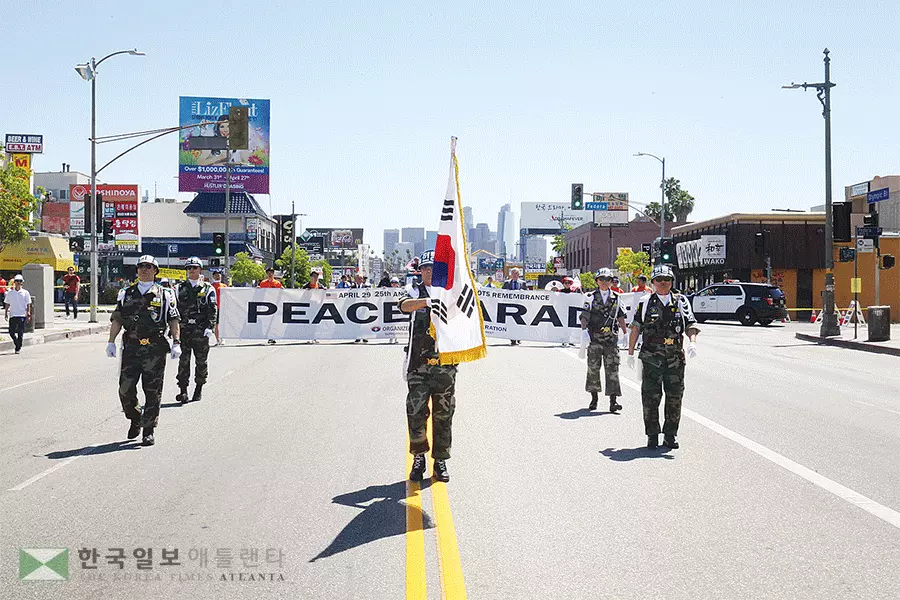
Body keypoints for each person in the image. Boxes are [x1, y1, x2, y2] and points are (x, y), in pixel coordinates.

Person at [106, 256, 181, 446]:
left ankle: (148, 430)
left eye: (148, 266)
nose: (144, 269)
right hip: (131, 347)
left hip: (154, 349)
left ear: (155, 270)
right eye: (141, 266)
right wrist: (111, 341)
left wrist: (176, 341)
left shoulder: (165, 294)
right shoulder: (126, 293)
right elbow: (117, 319)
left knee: (153, 391)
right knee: (125, 389)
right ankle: (135, 416)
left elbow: (173, 319)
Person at [398, 251, 457, 483]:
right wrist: (427, 301)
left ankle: (440, 460)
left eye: (432, 268)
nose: (428, 272)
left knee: (444, 415)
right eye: (424, 268)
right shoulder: (413, 290)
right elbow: (403, 306)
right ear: (419, 271)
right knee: (415, 412)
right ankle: (419, 456)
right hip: (418, 365)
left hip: (444, 366)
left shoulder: (451, 293)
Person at [627, 264, 699, 450]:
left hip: (675, 358)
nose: (663, 283)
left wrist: (692, 342)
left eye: (667, 280)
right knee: (651, 398)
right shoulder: (645, 302)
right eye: (659, 280)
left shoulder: (681, 301)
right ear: (653, 282)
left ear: (672, 281)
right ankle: (652, 435)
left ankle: (670, 435)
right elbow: (636, 328)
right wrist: (630, 353)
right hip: (651, 358)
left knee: (675, 397)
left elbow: (690, 324)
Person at [580, 268, 627, 412]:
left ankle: (613, 401)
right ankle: (594, 398)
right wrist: (583, 331)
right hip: (595, 338)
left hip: (611, 339)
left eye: (608, 279)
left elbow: (620, 317)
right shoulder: (590, 297)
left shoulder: (617, 298)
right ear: (597, 281)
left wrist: (625, 333)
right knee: (593, 369)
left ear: (612, 282)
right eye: (601, 279)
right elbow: (584, 315)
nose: (604, 282)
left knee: (612, 370)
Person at [174, 257, 217, 404]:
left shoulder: (207, 288)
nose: (191, 270)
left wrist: (210, 327)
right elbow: (174, 310)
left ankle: (198, 387)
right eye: (189, 268)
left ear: (200, 270)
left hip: (200, 331)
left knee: (201, 362)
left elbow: (212, 310)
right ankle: (183, 390)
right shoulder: (179, 288)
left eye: (194, 268)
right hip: (184, 330)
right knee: (183, 362)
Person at [4, 275, 32, 354]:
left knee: (20, 332)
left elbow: (28, 304)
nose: (18, 283)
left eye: (20, 281)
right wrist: (6, 313)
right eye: (17, 281)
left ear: (22, 283)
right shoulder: (10, 293)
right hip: (13, 314)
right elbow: (7, 303)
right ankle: (17, 343)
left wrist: (28, 313)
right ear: (14, 282)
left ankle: (18, 347)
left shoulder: (25, 293)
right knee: (11, 332)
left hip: (22, 315)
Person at [258, 268, 282, 344]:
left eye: (271, 272)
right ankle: (269, 336)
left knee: (274, 321)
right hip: (266, 304)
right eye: (268, 273)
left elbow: (281, 292)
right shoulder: (263, 283)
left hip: (275, 304)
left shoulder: (277, 283)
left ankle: (273, 336)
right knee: (266, 321)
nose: (270, 274)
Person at [502, 268, 525, 345]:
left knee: (519, 323)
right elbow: (501, 293)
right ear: (511, 275)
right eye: (514, 273)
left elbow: (528, 294)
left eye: (517, 274)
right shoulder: (506, 283)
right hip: (509, 307)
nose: (515, 275)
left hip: (520, 307)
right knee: (511, 323)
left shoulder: (523, 283)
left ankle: (519, 337)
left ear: (519, 275)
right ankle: (512, 339)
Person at [211, 270, 227, 345]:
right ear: (213, 276)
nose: (217, 276)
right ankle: (218, 339)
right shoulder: (210, 286)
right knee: (216, 324)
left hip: (223, 307)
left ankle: (222, 338)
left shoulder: (224, 286)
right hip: (214, 307)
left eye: (219, 275)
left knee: (222, 324)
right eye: (216, 275)